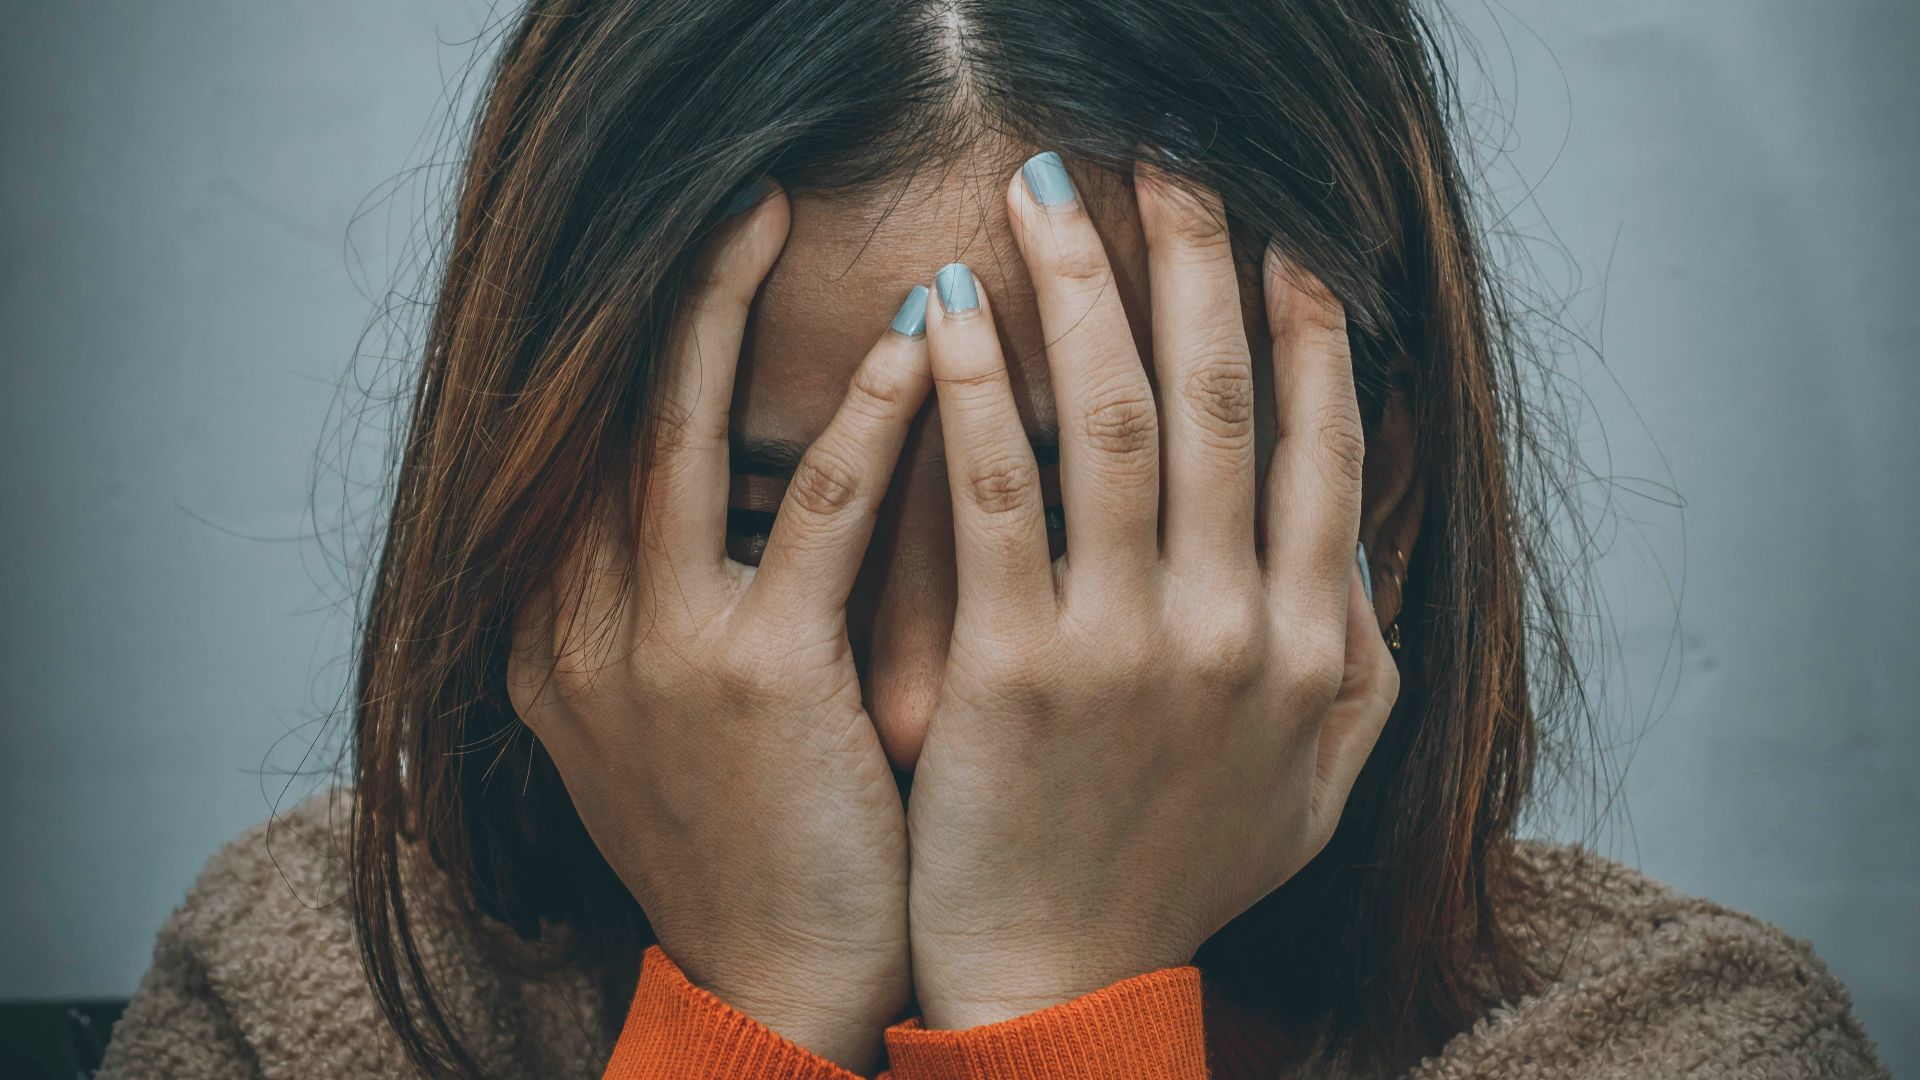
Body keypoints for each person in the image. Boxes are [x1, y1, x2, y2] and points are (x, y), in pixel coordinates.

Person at [98, 1, 1888, 1077]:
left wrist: (1059, 1001)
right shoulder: (316, 992)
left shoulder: (1675, 1041)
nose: (898, 706)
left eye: (1079, 540)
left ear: (1374, 500)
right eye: (761, 527)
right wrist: (759, 1015)